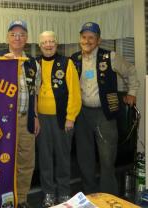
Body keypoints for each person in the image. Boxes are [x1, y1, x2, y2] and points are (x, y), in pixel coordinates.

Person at [71, 22, 139, 195]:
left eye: (91, 37)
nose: (87, 41)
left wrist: (131, 92)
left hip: (104, 113)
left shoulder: (111, 56)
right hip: (82, 114)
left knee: (107, 158)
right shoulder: (74, 59)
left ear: (98, 40)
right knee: (84, 158)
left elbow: (130, 71)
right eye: (84, 37)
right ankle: (90, 196)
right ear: (80, 39)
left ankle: (108, 197)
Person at [0, 20, 40, 208]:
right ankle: (2, 198)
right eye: (13, 34)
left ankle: (21, 199)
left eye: (21, 35)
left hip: (25, 118)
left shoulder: (33, 64)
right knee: (2, 161)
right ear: (7, 38)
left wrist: (35, 116)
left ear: (26, 39)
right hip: (2, 122)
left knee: (27, 162)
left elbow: (34, 92)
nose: (17, 38)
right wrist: (0, 65)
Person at [36, 31, 81, 207]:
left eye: (51, 41)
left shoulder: (67, 63)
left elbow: (75, 94)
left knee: (63, 157)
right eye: (44, 42)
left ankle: (63, 193)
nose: (48, 45)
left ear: (57, 43)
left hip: (63, 119)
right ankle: (48, 193)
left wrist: (71, 118)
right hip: (41, 119)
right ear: (40, 45)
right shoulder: (35, 63)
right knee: (45, 158)